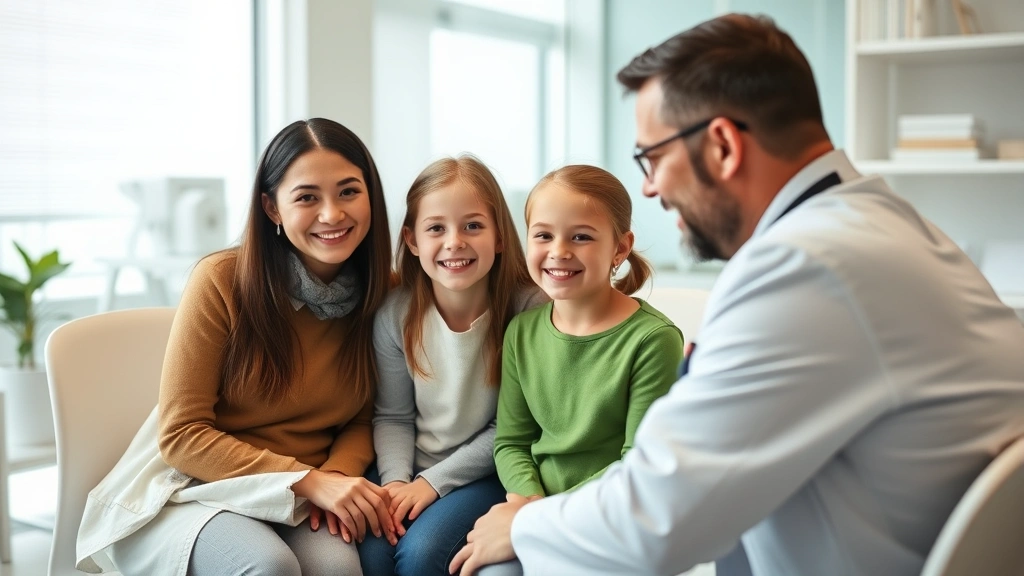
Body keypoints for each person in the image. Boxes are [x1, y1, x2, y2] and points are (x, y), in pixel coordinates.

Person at [450, 13, 1024, 576]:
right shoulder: (885, 224)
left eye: (652, 158)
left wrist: (521, 526)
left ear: (723, 145)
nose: (650, 187)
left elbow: (655, 521)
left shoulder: (805, 268)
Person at [76, 118, 397, 576]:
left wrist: (339, 479)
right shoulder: (223, 280)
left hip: (298, 493)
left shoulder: (382, 292)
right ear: (272, 208)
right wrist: (308, 480)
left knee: (338, 569)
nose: (332, 214)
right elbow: (182, 435)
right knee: (267, 566)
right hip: (191, 487)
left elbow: (364, 417)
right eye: (307, 197)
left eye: (348, 191)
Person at [476, 164, 685, 575]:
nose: (559, 251)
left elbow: (636, 464)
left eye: (581, 237)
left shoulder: (653, 340)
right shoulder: (522, 332)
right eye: (543, 235)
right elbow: (512, 443)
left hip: (609, 520)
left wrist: (538, 519)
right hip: (534, 511)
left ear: (620, 249)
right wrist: (527, 503)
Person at [358, 155, 545, 576]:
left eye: (473, 226)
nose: (454, 242)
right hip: (407, 465)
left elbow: (512, 428)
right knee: (370, 553)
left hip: (487, 469)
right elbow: (392, 416)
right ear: (411, 240)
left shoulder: (530, 308)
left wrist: (432, 484)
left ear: (500, 236)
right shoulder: (394, 313)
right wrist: (394, 484)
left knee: (422, 554)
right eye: (436, 228)